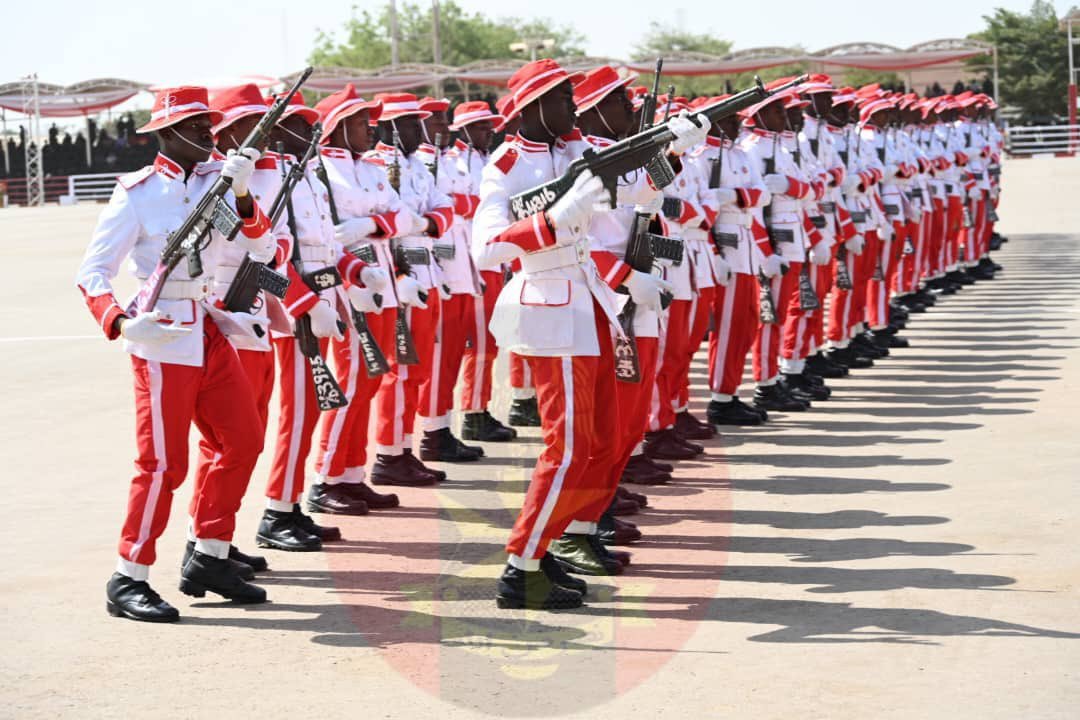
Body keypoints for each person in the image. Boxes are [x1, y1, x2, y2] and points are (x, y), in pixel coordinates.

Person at [472, 59, 705, 609]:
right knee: (571, 444)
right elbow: (487, 247)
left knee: (597, 441)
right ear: (534, 107)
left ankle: (546, 545)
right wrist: (553, 219)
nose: (574, 108)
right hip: (551, 308)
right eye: (563, 99)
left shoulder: (577, 152)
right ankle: (520, 566)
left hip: (592, 304)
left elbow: (636, 198)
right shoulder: (504, 165)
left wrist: (674, 149)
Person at [76, 86, 273, 622]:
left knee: (244, 439)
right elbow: (91, 273)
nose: (209, 133)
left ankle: (209, 553)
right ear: (167, 134)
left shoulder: (219, 181)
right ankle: (128, 575)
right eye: (196, 125)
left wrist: (243, 192)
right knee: (162, 464)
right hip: (159, 334)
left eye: (208, 123)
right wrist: (119, 319)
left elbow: (263, 247)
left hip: (207, 329)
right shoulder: (137, 194)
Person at [366, 93, 469, 478]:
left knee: (419, 368)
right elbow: (393, 224)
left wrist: (423, 221)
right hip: (401, 274)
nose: (419, 128)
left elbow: (444, 210)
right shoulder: (379, 165)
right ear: (391, 127)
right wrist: (399, 274)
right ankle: (389, 452)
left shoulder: (417, 166)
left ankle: (403, 446)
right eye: (410, 123)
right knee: (400, 368)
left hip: (427, 273)